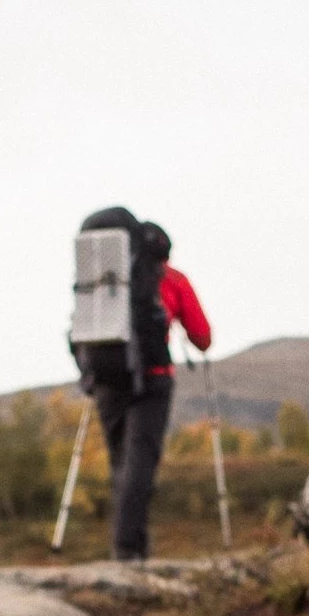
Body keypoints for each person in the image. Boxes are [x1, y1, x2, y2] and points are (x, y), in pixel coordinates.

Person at [79, 214, 210, 561]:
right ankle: (129, 550)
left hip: (106, 377)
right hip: (152, 378)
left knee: (121, 462)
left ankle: (126, 546)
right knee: (140, 462)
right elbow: (202, 336)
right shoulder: (170, 279)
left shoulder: (103, 281)